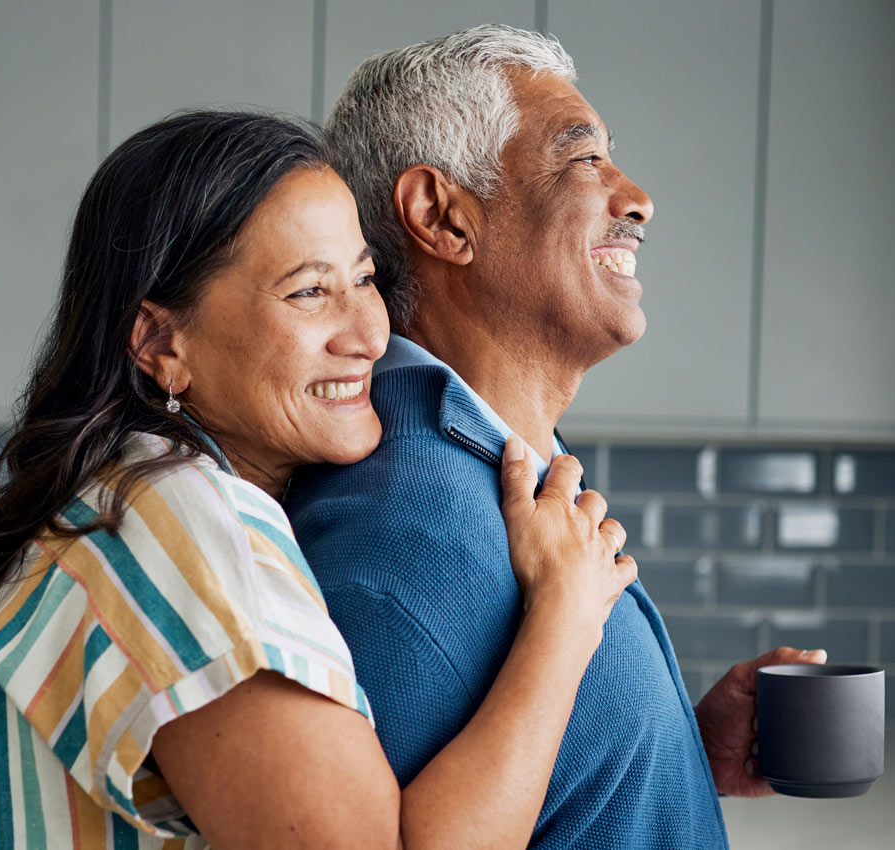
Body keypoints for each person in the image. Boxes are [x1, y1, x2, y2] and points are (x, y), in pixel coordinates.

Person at [0, 109, 639, 850]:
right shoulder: (187, 534)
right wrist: (566, 617)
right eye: (308, 291)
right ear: (161, 341)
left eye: (364, 278)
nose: (371, 333)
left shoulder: (137, 498)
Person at [287, 25, 828, 849]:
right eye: (585, 160)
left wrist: (673, 747)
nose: (636, 197)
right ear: (443, 217)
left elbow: (524, 784)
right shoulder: (404, 524)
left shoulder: (495, 470)